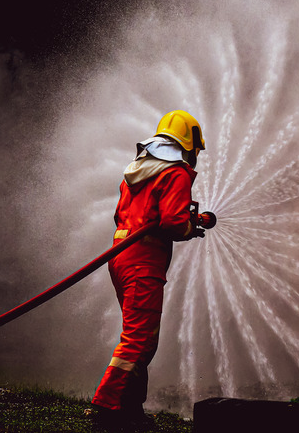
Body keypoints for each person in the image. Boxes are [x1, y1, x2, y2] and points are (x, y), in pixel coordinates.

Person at [90, 110, 207, 427]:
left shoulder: (136, 171)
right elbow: (170, 222)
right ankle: (107, 406)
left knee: (140, 337)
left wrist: (182, 222)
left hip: (121, 253)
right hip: (143, 259)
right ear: (189, 143)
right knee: (139, 339)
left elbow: (123, 215)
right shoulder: (176, 173)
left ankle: (129, 408)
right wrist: (190, 227)